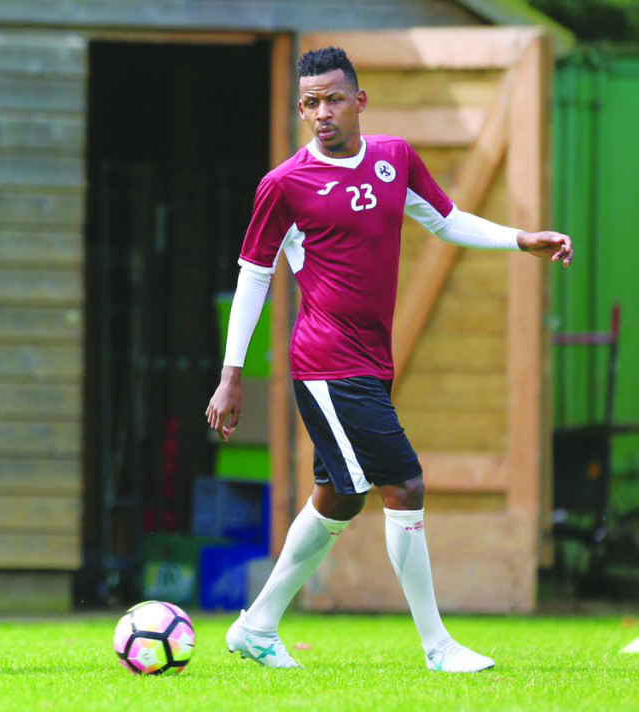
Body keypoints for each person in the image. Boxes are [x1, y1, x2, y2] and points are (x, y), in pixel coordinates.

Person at [205, 47, 573, 673]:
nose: (322, 112)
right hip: (327, 363)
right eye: (310, 103)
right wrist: (231, 375)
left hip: (372, 360)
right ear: (302, 110)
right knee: (404, 484)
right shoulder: (285, 185)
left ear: (360, 101)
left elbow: (447, 221)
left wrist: (521, 239)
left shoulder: (394, 160)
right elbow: (253, 276)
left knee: (339, 498)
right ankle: (438, 646)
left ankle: (257, 626)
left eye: (333, 99)